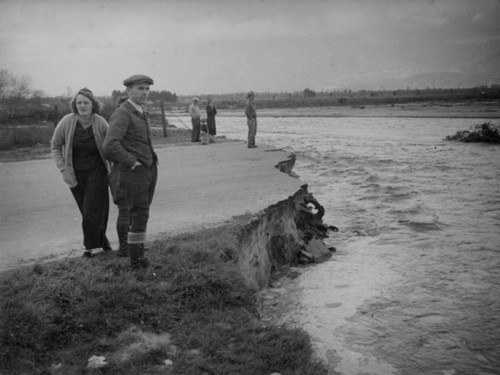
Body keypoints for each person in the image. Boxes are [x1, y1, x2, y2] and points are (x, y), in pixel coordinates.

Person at [103, 75, 158, 269]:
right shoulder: (123, 112)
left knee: (141, 215)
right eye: (140, 88)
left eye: (147, 89)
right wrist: (132, 162)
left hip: (147, 171)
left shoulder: (140, 111)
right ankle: (136, 261)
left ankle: (138, 256)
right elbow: (110, 146)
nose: (145, 92)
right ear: (128, 91)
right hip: (134, 172)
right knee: (139, 214)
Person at [51, 88, 112, 258]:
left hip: (97, 171)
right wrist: (63, 169)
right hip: (75, 173)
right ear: (74, 105)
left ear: (93, 104)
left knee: (92, 208)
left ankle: (89, 248)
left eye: (86, 102)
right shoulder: (67, 121)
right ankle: (104, 243)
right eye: (79, 103)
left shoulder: (100, 122)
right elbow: (55, 146)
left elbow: (111, 145)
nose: (82, 105)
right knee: (87, 211)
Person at [109, 95, 131, 257]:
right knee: (125, 210)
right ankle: (124, 249)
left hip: (122, 172)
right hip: (122, 173)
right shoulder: (121, 125)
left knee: (132, 211)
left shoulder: (118, 124)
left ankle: (132, 246)